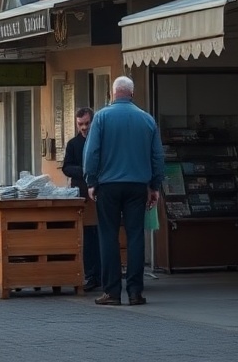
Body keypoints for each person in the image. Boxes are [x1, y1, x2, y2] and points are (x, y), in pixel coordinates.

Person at [83, 76, 164, 307]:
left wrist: (92, 181)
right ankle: (136, 292)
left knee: (108, 236)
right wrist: (154, 186)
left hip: (108, 186)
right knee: (136, 236)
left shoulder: (102, 117)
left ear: (113, 92)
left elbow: (92, 153)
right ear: (132, 93)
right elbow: (157, 156)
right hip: (138, 185)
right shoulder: (147, 119)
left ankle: (112, 292)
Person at [62, 106, 101, 292]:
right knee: (88, 238)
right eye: (80, 124)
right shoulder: (73, 144)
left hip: (100, 195)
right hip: (82, 196)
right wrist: (84, 171)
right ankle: (91, 275)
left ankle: (102, 274)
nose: (83, 128)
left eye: (86, 123)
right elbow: (66, 167)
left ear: (92, 121)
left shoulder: (101, 140)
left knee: (101, 236)